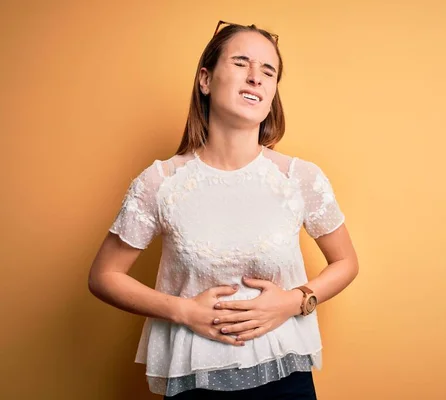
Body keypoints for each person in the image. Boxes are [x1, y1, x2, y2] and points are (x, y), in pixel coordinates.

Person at [88, 20, 359, 400]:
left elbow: (346, 262)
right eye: (240, 63)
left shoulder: (299, 178)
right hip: (195, 379)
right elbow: (103, 276)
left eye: (268, 71)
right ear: (205, 79)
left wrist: (295, 300)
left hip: (285, 378)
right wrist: (183, 311)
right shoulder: (160, 182)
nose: (255, 78)